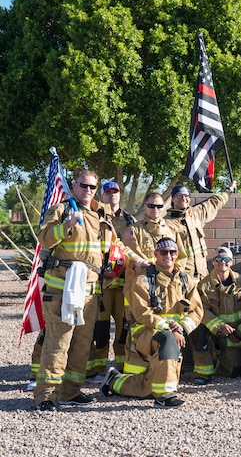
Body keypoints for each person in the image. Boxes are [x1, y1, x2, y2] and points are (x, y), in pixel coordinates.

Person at [33, 168, 146, 412]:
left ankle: (70, 391)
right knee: (58, 342)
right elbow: (44, 238)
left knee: (83, 343)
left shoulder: (100, 216)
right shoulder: (63, 210)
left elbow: (116, 246)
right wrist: (66, 226)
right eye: (83, 185)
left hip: (90, 291)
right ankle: (46, 396)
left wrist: (137, 261)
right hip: (62, 289)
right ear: (74, 186)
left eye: (92, 187)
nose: (87, 190)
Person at [101, 238, 204, 408]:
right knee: (167, 340)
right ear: (155, 254)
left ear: (177, 254)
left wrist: (183, 327)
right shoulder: (143, 279)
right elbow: (142, 313)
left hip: (173, 334)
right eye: (163, 252)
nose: (168, 255)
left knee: (151, 385)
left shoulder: (186, 281)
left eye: (172, 252)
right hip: (145, 332)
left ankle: (115, 381)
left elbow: (197, 311)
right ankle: (164, 397)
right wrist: (170, 329)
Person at [86, 181, 137, 381]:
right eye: (108, 193)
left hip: (124, 283)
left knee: (124, 326)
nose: (112, 196)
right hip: (102, 284)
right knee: (100, 326)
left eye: (115, 192)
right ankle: (96, 368)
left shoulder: (130, 220)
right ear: (102, 196)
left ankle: (122, 365)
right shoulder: (96, 217)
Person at [191, 247, 241, 385]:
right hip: (213, 330)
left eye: (226, 259)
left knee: (233, 372)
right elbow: (201, 310)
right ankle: (203, 373)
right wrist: (219, 326)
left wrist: (240, 331)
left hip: (235, 334)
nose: (222, 262)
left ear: (231, 261)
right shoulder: (203, 285)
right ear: (213, 262)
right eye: (218, 259)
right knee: (199, 330)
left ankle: (221, 363)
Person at [166, 181, 236, 284]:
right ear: (172, 198)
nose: (183, 198)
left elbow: (215, 203)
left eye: (186, 195)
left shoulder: (196, 214)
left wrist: (228, 190)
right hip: (182, 279)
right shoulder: (166, 223)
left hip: (203, 277)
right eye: (179, 195)